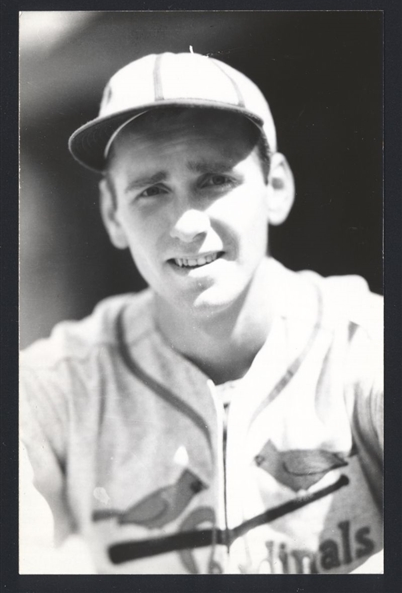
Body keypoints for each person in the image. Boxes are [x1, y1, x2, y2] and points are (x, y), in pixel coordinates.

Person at [19, 52, 383, 574]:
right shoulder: (58, 387)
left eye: (213, 180)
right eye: (151, 190)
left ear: (275, 187)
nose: (187, 224)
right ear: (111, 214)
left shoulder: (365, 344)